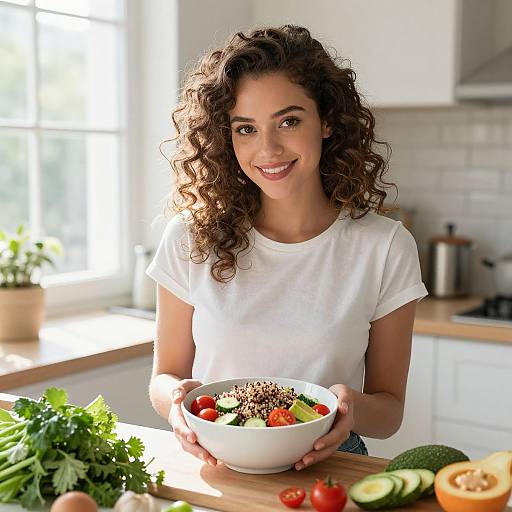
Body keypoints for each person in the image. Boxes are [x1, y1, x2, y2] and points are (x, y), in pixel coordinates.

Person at [146, 24, 428, 471]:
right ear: (226, 136)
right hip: (219, 464)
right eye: (246, 128)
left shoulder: (385, 247)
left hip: (331, 466)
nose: (268, 149)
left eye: (289, 121)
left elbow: (389, 410)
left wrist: (349, 407)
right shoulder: (190, 237)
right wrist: (176, 405)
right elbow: (166, 377)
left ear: (328, 120)